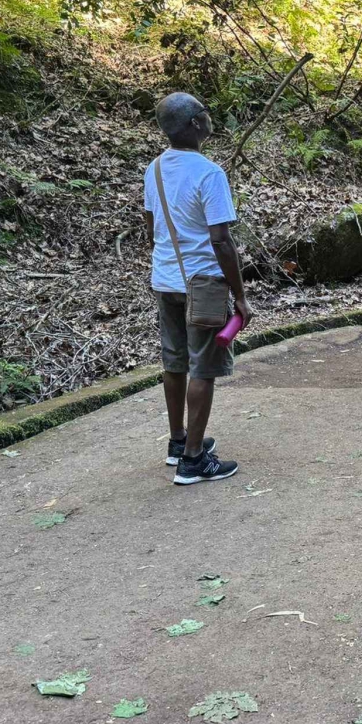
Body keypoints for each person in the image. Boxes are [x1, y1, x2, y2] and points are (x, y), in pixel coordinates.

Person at [143, 92, 253, 485]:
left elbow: (151, 225)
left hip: (165, 279)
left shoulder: (153, 169)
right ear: (194, 124)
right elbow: (221, 239)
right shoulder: (210, 173)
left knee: (174, 361)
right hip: (202, 282)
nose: (210, 117)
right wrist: (239, 295)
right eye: (204, 113)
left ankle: (178, 442)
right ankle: (194, 461)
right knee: (202, 366)